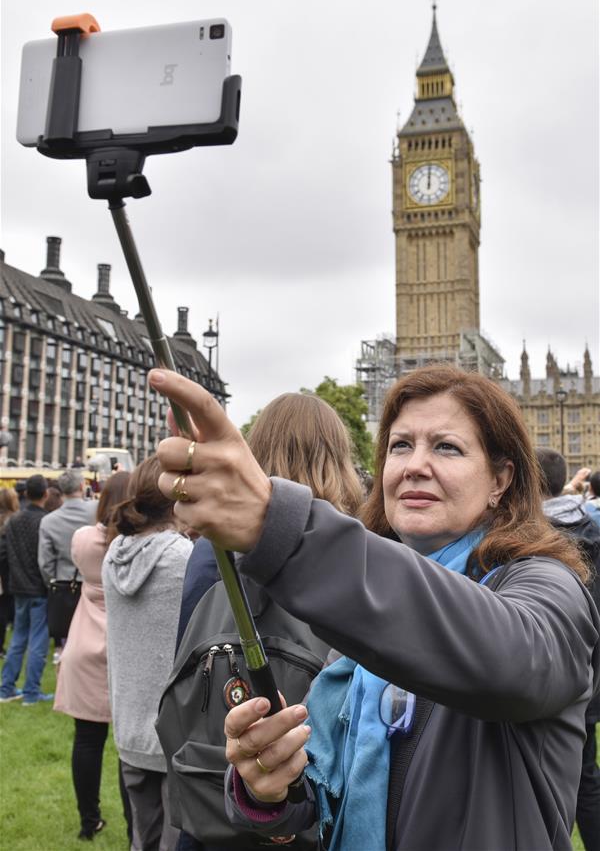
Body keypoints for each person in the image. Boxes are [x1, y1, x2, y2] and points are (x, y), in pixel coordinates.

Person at [150, 365, 600, 851]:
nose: (414, 465)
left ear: (500, 478)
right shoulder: (363, 623)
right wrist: (272, 787)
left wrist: (281, 526)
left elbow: (506, 658)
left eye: (446, 446)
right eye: (400, 445)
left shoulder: (544, 586)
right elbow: (329, 796)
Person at [171, 392, 364, 851]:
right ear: (338, 457)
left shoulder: (210, 549)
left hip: (210, 792)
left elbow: (184, 661)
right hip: (311, 798)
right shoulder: (353, 548)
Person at [102, 455, 192, 851]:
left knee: (142, 838)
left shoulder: (114, 555)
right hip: (175, 731)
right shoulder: (183, 558)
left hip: (129, 722)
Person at [54, 471, 131, 841]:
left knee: (86, 740)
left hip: (84, 642)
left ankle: (89, 821)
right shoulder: (137, 546)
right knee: (128, 747)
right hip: (124, 644)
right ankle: (138, 826)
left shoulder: (84, 540)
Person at [536, 448, 600, 851]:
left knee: (539, 782)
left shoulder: (526, 533)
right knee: (584, 775)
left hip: (544, 674)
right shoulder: (590, 524)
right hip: (590, 673)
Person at [0, 475, 54, 705]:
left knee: (18, 639)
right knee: (37, 641)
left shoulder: (13, 521)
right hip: (39, 588)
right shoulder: (46, 522)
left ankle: (6, 688)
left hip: (19, 587)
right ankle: (31, 691)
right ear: (46, 494)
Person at [38, 468, 97, 657]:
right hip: (94, 582)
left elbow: (45, 562)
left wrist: (53, 582)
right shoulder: (95, 510)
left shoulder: (49, 521)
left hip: (63, 583)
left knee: (66, 638)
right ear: (82, 486)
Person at [0, 487, 19, 658]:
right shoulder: (13, 521)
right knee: (4, 609)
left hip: (6, 571)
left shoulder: (12, 521)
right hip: (7, 571)